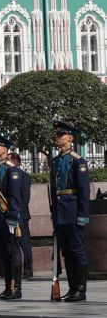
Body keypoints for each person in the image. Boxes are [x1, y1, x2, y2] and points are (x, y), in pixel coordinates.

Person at [51, 121, 91, 302]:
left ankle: (80, 290)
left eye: (61, 135)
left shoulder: (78, 161)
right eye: (57, 135)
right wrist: (54, 212)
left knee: (77, 250)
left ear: (70, 138)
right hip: (60, 211)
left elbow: (83, 190)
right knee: (66, 252)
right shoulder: (56, 160)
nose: (58, 138)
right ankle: (72, 288)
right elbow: (53, 189)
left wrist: (83, 214)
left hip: (73, 209)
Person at [0, 133, 24, 300]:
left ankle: (16, 288)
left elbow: (15, 196)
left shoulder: (12, 169)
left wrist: (13, 217)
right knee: (4, 254)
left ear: (5, 149)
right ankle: (8, 287)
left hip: (8, 217)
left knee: (13, 252)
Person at [7, 152, 33, 279]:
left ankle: (28, 270)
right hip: (11, 214)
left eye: (9, 160)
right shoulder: (8, 174)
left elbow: (25, 197)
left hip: (21, 214)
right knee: (14, 244)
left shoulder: (23, 176)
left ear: (15, 162)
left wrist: (18, 212)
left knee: (24, 243)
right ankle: (16, 269)